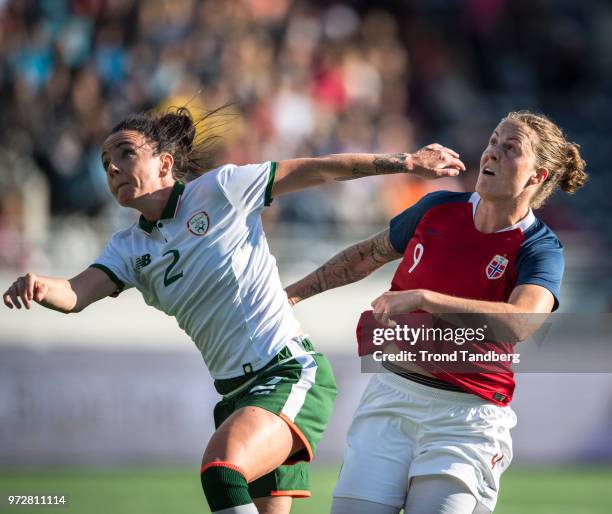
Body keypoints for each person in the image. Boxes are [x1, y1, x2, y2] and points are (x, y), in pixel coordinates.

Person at [2, 107, 465, 514]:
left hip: (287, 374)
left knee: (221, 471)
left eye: (125, 153)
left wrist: (406, 163)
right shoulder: (128, 248)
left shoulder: (220, 189)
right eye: (106, 163)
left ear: (164, 163)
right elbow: (76, 293)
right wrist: (43, 286)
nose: (113, 167)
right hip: (235, 396)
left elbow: (322, 170)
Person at [285, 110, 587, 514]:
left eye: (510, 148)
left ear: (538, 176)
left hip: (465, 418)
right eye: (494, 141)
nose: (492, 153)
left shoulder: (541, 248)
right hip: (389, 398)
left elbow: (520, 321)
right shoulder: (439, 207)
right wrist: (290, 296)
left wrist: (426, 299)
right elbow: (366, 255)